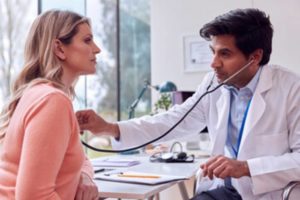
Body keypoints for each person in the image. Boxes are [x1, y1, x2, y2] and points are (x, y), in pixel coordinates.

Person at [76, 8, 300, 200]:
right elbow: (174, 121)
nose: (214, 63)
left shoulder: (291, 89)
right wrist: (109, 128)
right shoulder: (214, 83)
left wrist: (246, 167)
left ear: (255, 57)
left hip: (267, 193)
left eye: (225, 54)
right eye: (213, 52)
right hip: (223, 192)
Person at [0, 10, 101, 199]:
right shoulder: (52, 101)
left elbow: (79, 159)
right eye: (87, 40)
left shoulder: (40, 94)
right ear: (59, 49)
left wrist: (85, 177)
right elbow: (33, 197)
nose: (97, 49)